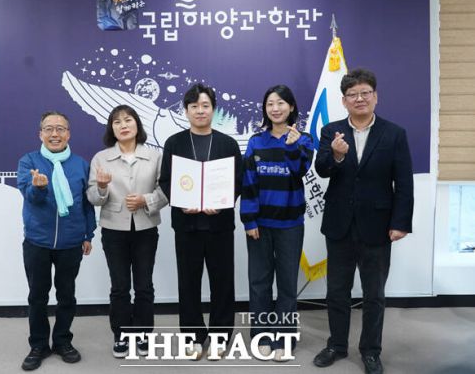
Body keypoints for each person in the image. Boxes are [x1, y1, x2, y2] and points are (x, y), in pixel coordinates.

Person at [313, 68, 414, 374]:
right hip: (339, 225)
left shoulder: (394, 133)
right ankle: (336, 345)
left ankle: (371, 350)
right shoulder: (331, 131)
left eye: (365, 93)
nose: (359, 99)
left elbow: (404, 182)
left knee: (374, 295)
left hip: (378, 226)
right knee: (337, 292)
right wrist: (336, 155)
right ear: (344, 101)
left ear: (375, 97)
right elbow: (321, 169)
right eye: (352, 94)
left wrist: (401, 222)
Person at [159, 83, 242, 360]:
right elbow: (166, 180)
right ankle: (193, 336)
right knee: (188, 283)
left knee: (223, 283)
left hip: (220, 225)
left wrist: (223, 202)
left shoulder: (228, 144)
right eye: (194, 106)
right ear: (186, 111)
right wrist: (181, 201)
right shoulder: (174, 143)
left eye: (205, 105)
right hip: (187, 225)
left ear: (213, 109)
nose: (200, 111)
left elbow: (238, 181)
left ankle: (220, 337)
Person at [17, 111, 96, 371]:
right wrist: (38, 187)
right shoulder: (29, 161)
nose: (55, 134)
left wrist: (88, 234)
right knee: (37, 296)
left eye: (60, 129)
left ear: (68, 134)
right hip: (37, 242)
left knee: (66, 296)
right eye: (49, 129)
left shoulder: (81, 164)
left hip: (71, 242)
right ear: (40, 133)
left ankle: (62, 341)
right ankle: (39, 344)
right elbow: (30, 197)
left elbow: (87, 205)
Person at [240, 85, 314, 362]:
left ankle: (285, 337)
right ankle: (261, 336)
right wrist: (249, 219)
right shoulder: (256, 142)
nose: (275, 108)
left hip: (290, 224)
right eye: (270, 103)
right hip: (259, 224)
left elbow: (300, 172)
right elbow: (248, 182)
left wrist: (292, 146)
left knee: (286, 284)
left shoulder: (304, 140)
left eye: (281, 103)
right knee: (259, 283)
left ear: (291, 107)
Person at [87, 105, 167, 358]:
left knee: (144, 285)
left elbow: (165, 191)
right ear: (111, 128)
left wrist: (146, 200)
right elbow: (93, 197)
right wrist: (101, 188)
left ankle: (143, 334)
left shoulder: (154, 156)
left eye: (128, 120)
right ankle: (121, 334)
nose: (123, 125)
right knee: (120, 286)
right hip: (114, 230)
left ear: (137, 125)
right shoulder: (101, 158)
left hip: (146, 228)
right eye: (117, 122)